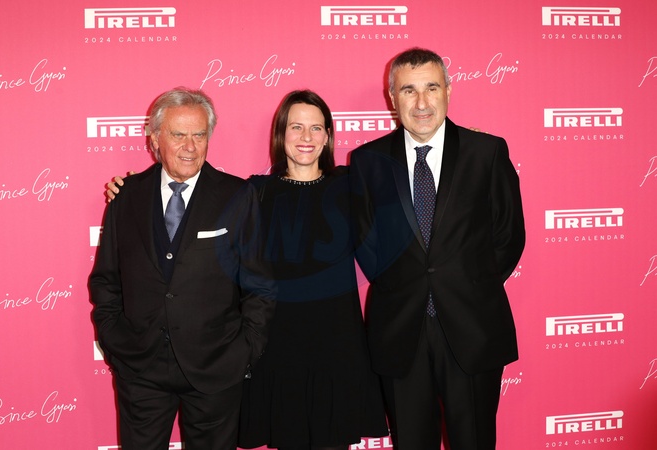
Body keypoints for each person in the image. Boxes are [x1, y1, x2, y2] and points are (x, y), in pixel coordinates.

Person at [105, 90, 387, 450]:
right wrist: (132, 188)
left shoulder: (351, 186)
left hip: (336, 347)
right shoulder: (254, 192)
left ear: (329, 135)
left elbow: (400, 192)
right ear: (280, 133)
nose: (306, 136)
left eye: (316, 128)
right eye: (296, 127)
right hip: (279, 347)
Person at [349, 48, 526, 450]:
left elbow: (509, 235)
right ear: (392, 97)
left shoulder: (487, 152)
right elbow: (366, 242)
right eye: (408, 90)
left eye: (431, 87)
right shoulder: (367, 161)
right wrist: (405, 284)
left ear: (448, 90)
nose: (422, 102)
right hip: (400, 332)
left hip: (473, 329)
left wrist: (468, 284)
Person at [89, 87, 276, 449]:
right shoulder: (126, 196)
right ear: (155, 139)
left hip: (216, 368)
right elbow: (106, 279)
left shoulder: (237, 196)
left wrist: (244, 351)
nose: (190, 146)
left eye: (199, 135)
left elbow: (260, 284)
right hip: (140, 368)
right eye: (178, 135)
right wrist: (115, 341)